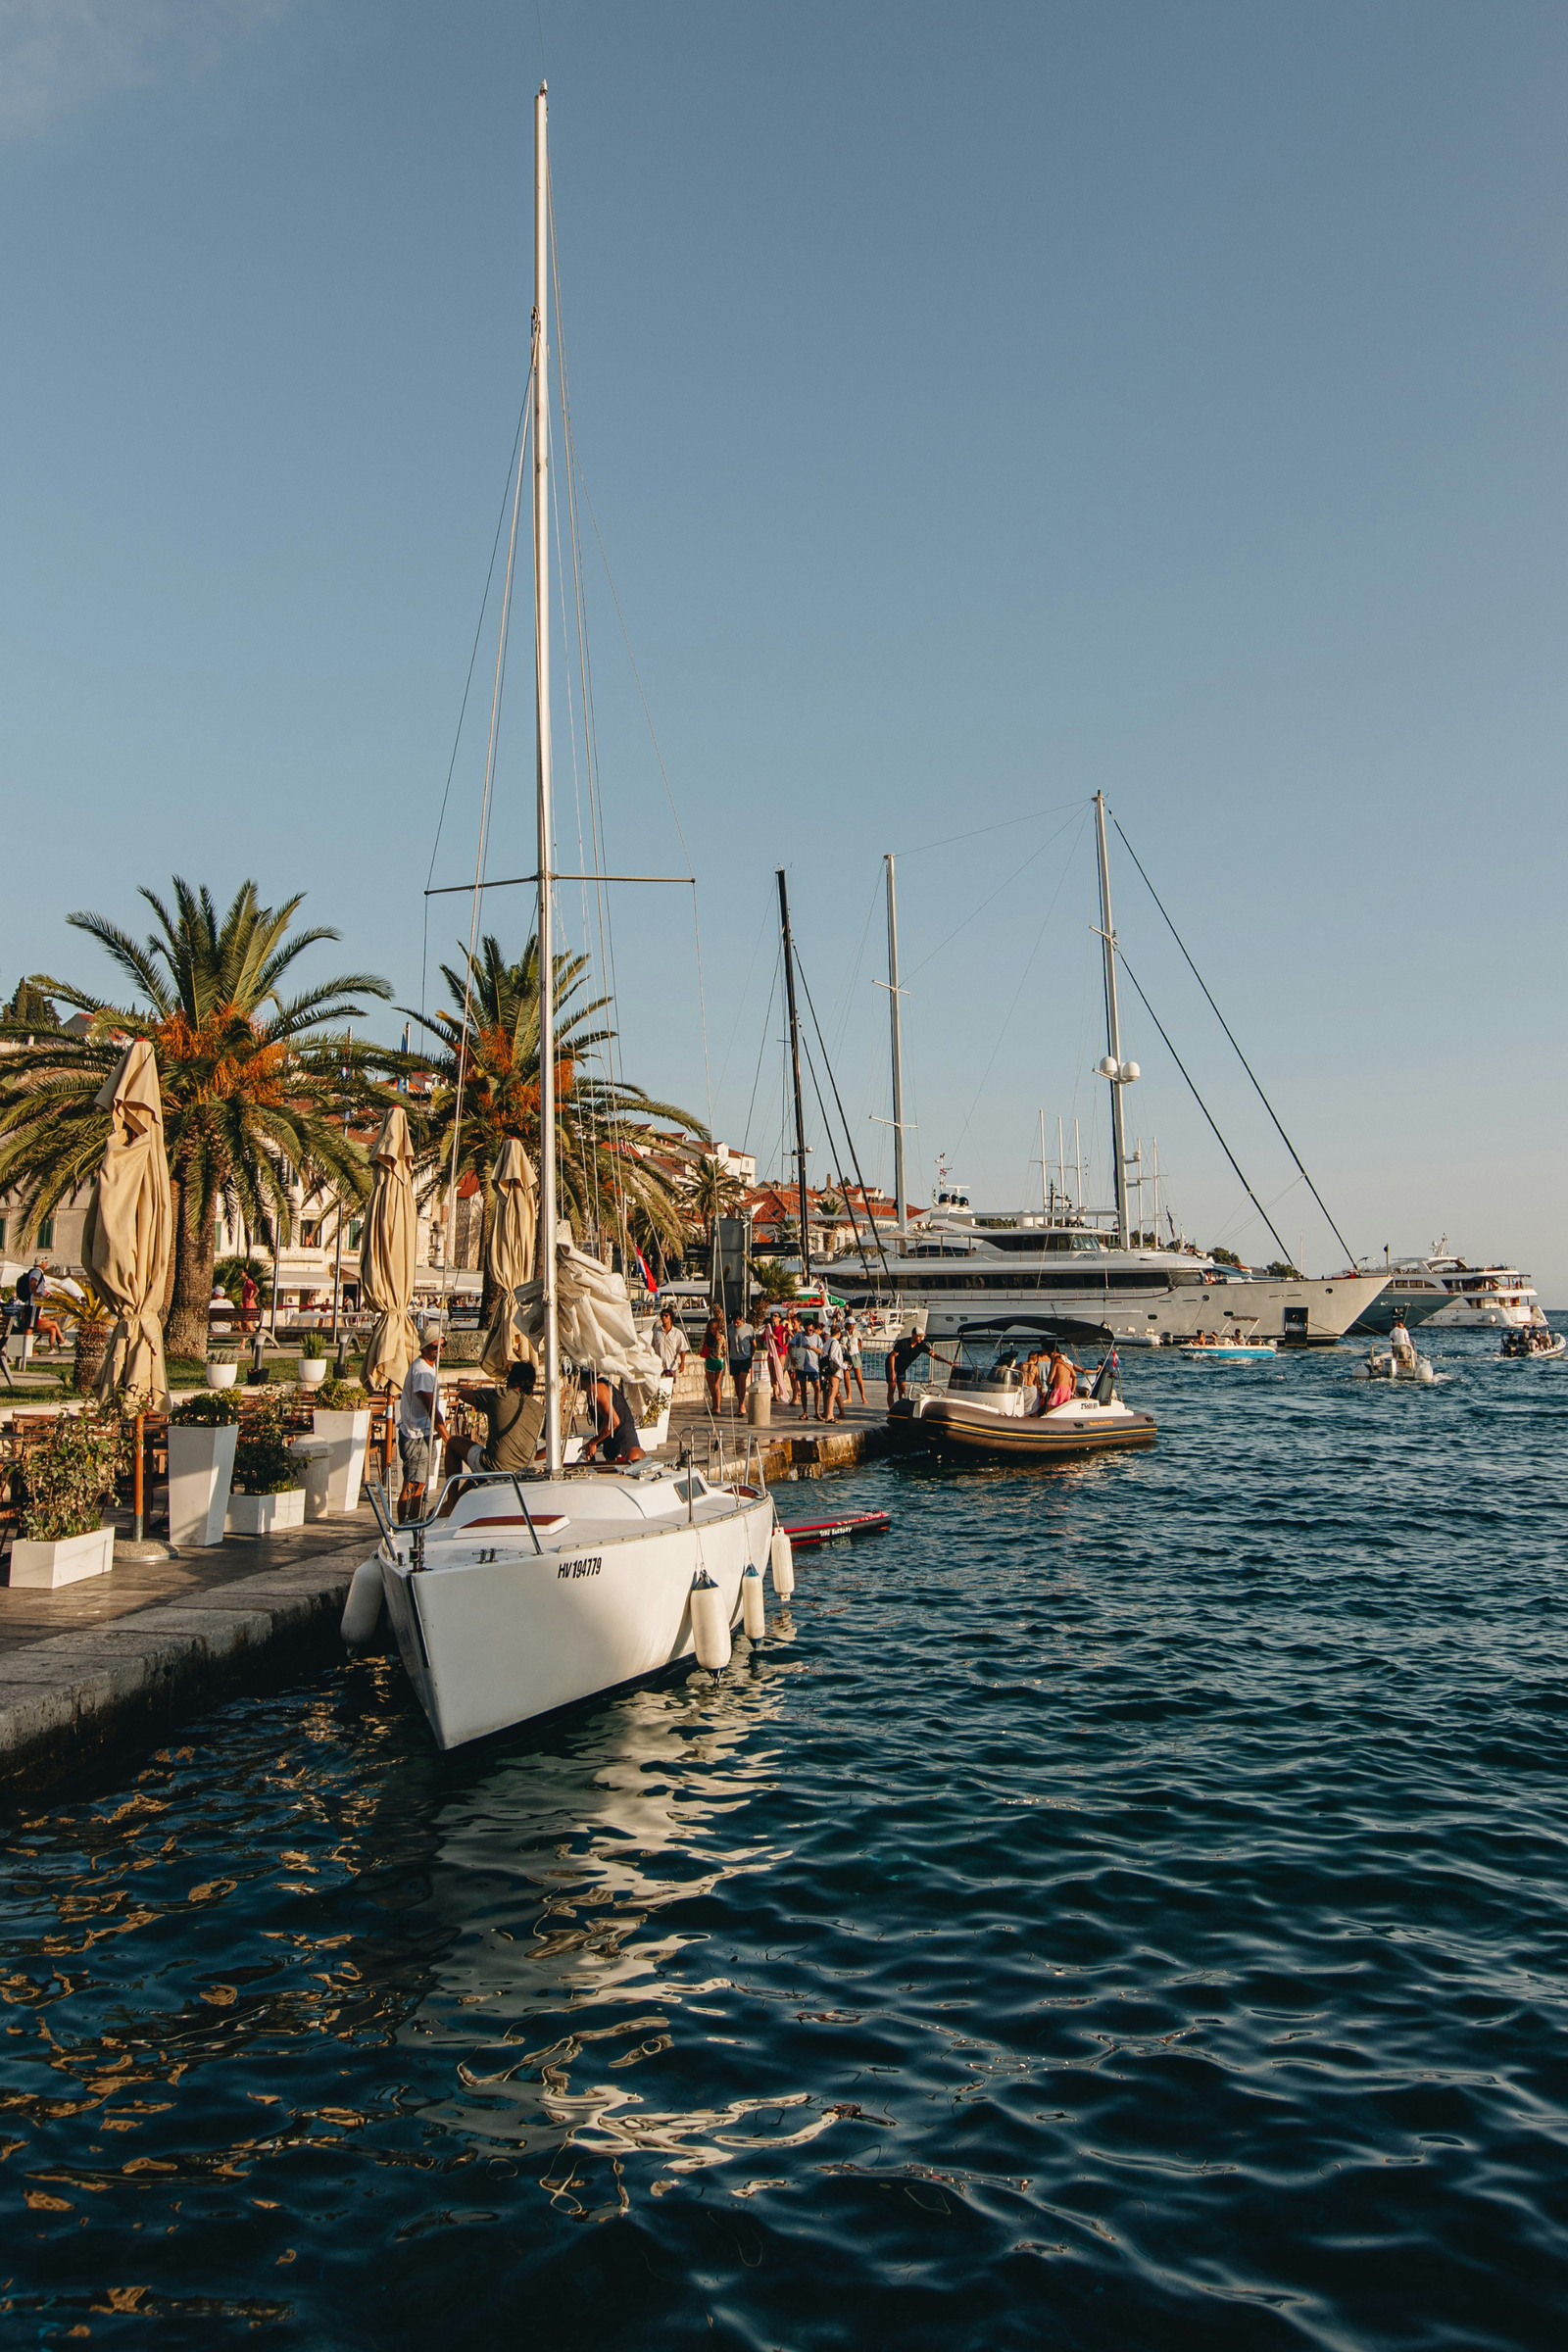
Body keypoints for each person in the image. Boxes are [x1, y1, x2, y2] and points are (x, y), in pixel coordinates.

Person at [446, 1359, 545, 1479]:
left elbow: (462, 1395)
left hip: (494, 1468)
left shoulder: (500, 1396)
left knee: (452, 1442)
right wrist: (532, 1457)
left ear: (510, 1378)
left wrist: (486, 1401)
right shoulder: (540, 1409)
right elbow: (553, 1447)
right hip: (525, 1471)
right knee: (476, 1478)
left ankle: (452, 1497)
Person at [397, 1337, 448, 1522]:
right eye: (435, 1346)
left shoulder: (428, 1368)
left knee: (420, 1484)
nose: (440, 1350)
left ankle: (414, 1522)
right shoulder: (422, 1372)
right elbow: (431, 1409)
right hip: (415, 1435)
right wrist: (448, 1440)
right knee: (411, 1484)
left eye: (443, 1345)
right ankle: (405, 1525)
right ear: (425, 1348)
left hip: (424, 1434)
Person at [579, 1371, 644, 1465]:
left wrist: (594, 1442)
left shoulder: (595, 1389)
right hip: (615, 1452)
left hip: (625, 1451)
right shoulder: (600, 1386)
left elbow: (614, 1421)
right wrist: (592, 1444)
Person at [887, 1329, 930, 1404]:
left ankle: (901, 1406)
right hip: (891, 1365)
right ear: (913, 1335)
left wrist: (947, 1361)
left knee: (902, 1389)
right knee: (892, 1387)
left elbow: (933, 1354)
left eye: (922, 1336)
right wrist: (892, 1372)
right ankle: (891, 1409)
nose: (921, 1338)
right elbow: (892, 1357)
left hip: (901, 1368)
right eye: (919, 1336)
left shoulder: (920, 1345)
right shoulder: (903, 1343)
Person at [728, 1305, 755, 1411]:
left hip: (745, 1358)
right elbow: (728, 1342)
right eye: (734, 1322)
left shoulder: (749, 1328)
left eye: (737, 1322)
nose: (736, 1324)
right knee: (737, 1382)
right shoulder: (730, 1328)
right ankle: (740, 1401)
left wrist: (750, 1356)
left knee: (742, 1380)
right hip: (734, 1358)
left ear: (741, 1319)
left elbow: (754, 1344)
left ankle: (741, 1405)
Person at [654, 1305, 688, 1381]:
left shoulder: (677, 1333)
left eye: (666, 1316)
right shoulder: (656, 1332)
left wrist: (682, 1363)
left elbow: (682, 1349)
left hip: (671, 1367)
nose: (664, 1317)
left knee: (668, 1389)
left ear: (671, 1318)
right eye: (662, 1316)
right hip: (658, 1366)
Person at [701, 1313, 726, 1414]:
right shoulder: (722, 1337)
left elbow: (701, 1347)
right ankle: (718, 1406)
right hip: (720, 1361)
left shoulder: (708, 1336)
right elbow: (725, 1349)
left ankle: (715, 1406)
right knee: (717, 1384)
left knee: (712, 1385)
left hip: (711, 1360)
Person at [1043, 1346, 1081, 1410]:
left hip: (1059, 1389)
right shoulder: (1069, 1365)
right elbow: (1075, 1377)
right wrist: (1072, 1390)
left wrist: (1048, 1381)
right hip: (1068, 1390)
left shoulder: (1056, 1364)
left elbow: (1050, 1379)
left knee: (1051, 1408)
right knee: (1064, 1408)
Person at [843, 1314, 867, 1406]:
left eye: (853, 1324)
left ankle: (863, 1396)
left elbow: (859, 1345)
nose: (852, 1325)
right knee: (846, 1377)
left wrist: (857, 1352)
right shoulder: (843, 1333)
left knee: (858, 1377)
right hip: (845, 1355)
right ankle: (848, 1396)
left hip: (855, 1354)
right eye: (850, 1324)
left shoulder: (857, 1333)